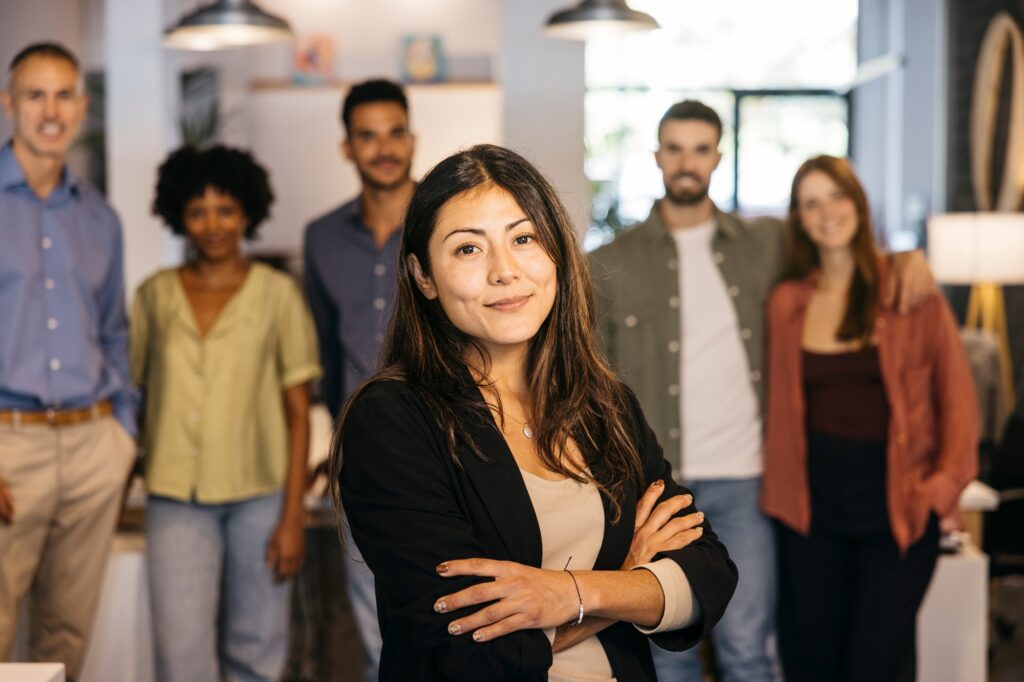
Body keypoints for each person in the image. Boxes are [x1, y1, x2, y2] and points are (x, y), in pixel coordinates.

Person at [332, 144, 738, 681]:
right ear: (423, 276)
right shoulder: (392, 421)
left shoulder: (604, 405)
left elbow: (708, 576)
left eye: (523, 238)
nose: (505, 271)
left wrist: (569, 592)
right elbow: (469, 654)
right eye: (468, 250)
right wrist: (628, 582)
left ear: (557, 255)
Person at [588, 100, 935, 681]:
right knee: (665, 655)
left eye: (700, 148)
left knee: (748, 648)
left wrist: (902, 256)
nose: (686, 161)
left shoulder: (765, 244)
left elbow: (837, 248)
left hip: (747, 482)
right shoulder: (607, 264)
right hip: (658, 489)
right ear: (656, 156)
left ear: (718, 157)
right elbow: (590, 382)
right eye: (674, 148)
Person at [761, 155, 979, 682]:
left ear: (857, 203)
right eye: (811, 203)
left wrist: (941, 489)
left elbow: (959, 402)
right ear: (798, 220)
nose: (827, 212)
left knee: (875, 663)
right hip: (809, 513)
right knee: (811, 662)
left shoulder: (908, 291)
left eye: (836, 196)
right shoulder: (787, 303)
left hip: (897, 508)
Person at [132, 145, 322, 682]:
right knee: (180, 655)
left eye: (226, 209)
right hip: (175, 499)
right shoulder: (153, 296)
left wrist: (292, 518)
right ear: (178, 216)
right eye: (197, 211)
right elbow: (137, 395)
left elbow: (298, 413)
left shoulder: (279, 295)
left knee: (257, 651)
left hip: (260, 500)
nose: (213, 224)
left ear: (248, 213)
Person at [0, 42, 136, 679]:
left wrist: (122, 437)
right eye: (34, 94)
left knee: (64, 643)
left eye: (62, 96)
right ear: (9, 104)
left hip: (92, 445)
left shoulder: (101, 219)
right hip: (8, 443)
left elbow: (114, 332)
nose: (50, 111)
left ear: (81, 107)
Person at [303, 78, 416, 680]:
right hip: (361, 459)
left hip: (445, 446)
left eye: (395, 132)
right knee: (375, 628)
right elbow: (324, 353)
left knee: (450, 615)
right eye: (367, 136)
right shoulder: (320, 238)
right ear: (347, 148)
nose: (384, 148)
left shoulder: (446, 222)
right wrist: (337, 444)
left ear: (412, 138)